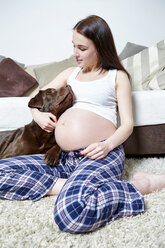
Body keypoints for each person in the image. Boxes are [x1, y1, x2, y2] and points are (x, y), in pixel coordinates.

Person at [0, 15, 165, 234]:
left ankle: (141, 186)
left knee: (72, 214)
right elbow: (36, 99)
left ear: (100, 47)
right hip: (64, 158)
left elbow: (127, 125)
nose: (75, 53)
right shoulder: (71, 73)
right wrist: (37, 114)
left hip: (99, 154)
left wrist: (107, 145)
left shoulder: (117, 77)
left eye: (82, 48)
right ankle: (65, 186)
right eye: (73, 46)